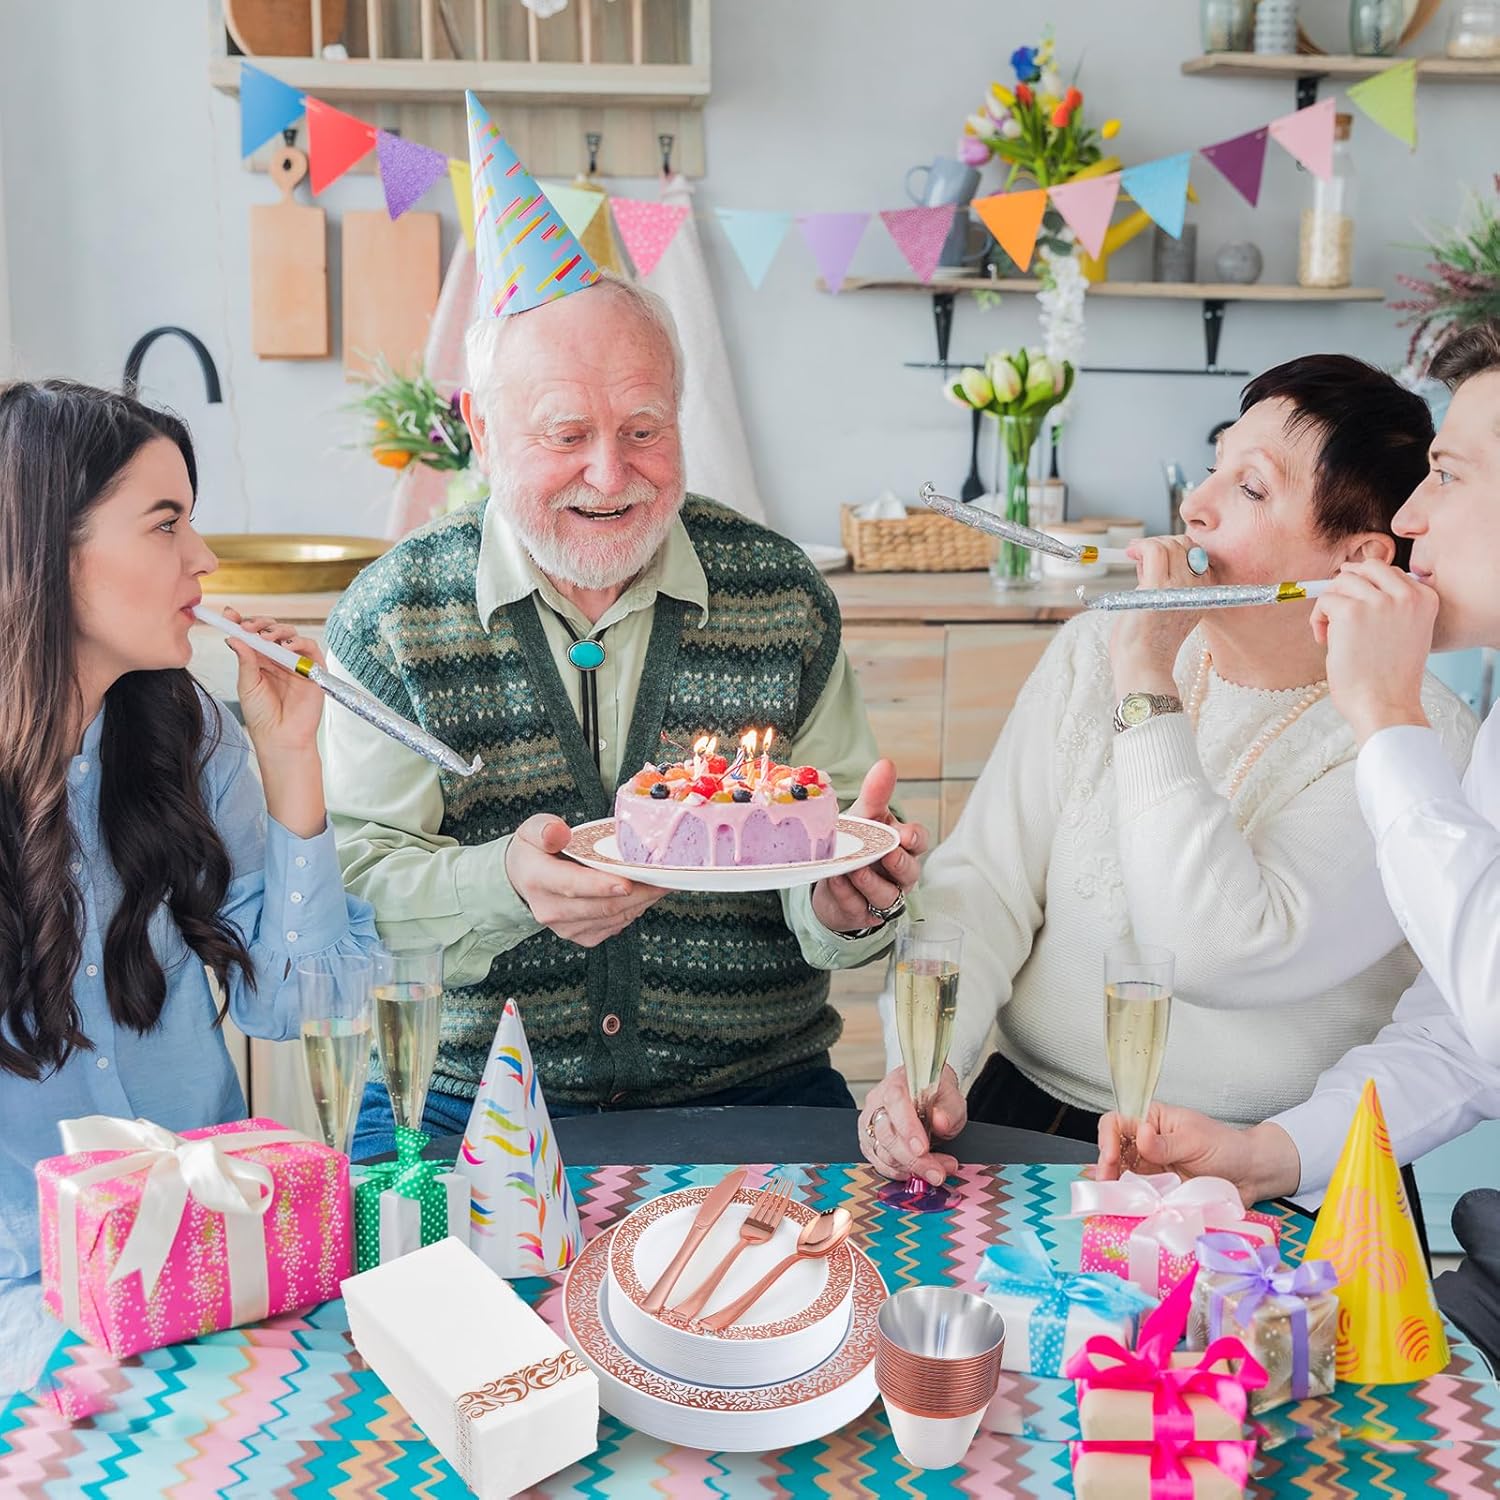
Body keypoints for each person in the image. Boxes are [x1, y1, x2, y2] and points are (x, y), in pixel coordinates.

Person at [327, 273, 925, 1160]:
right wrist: (509, 886)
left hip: (754, 1090)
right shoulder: (393, 618)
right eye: (567, 435)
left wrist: (843, 907)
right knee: (397, 1294)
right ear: (482, 433)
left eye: (644, 432)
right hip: (460, 1094)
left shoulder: (780, 593)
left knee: (837, 1286)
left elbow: (829, 846)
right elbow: (350, 902)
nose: (610, 476)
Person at [859, 354, 1477, 1188]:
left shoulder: (1418, 737)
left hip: (1264, 1167)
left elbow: (1214, 950)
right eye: (1217, 463)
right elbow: (984, 884)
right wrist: (929, 1064)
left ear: (1356, 557)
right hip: (1022, 1113)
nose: (1196, 504)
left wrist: (1146, 685)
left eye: (1251, 489)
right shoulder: (1094, 648)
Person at [1094, 324, 1500, 1361]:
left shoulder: (1418, 733)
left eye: (1447, 476)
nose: (1411, 517)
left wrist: (1384, 720)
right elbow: (1462, 1037)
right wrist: (1265, 1155)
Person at [0, 381, 380, 1396]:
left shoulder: (191, 737)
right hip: (27, 1305)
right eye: (166, 523)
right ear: (45, 548)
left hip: (223, 1264)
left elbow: (300, 1002)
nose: (205, 560)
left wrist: (292, 758)